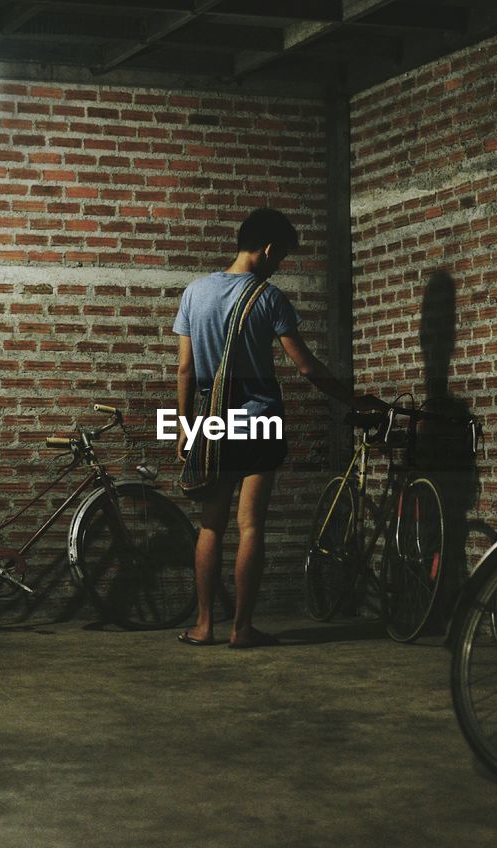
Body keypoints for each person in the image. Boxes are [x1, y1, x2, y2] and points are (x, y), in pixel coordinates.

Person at [172, 207, 383, 649]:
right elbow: (306, 367)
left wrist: (182, 428)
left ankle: (204, 625)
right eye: (282, 255)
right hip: (260, 420)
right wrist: (353, 400)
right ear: (268, 249)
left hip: (210, 423)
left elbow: (186, 371)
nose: (280, 263)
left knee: (210, 526)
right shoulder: (269, 298)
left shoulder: (194, 293)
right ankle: (242, 629)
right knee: (251, 527)